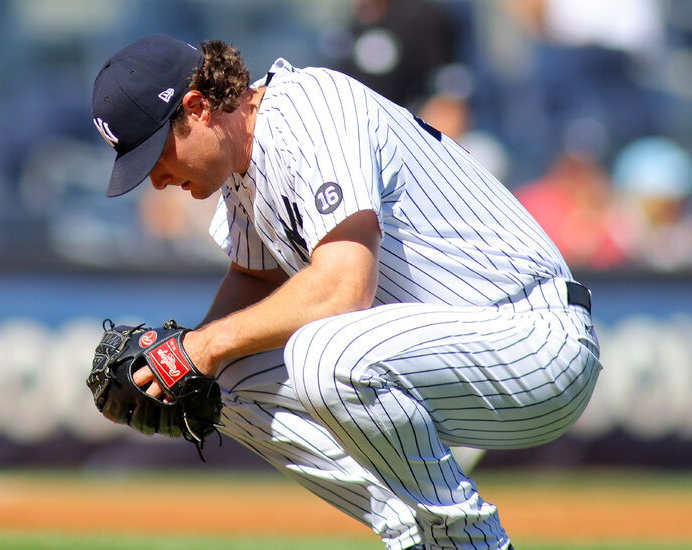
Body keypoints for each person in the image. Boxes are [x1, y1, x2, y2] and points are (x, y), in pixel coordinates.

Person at [90, 35, 602, 550]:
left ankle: (471, 541)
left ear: (198, 107)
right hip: (457, 351)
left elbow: (343, 287)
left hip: (533, 335)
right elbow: (255, 279)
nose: (155, 179)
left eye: (157, 153)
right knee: (221, 380)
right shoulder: (244, 166)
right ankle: (418, 535)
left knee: (323, 354)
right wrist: (184, 360)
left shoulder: (309, 111)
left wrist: (201, 347)